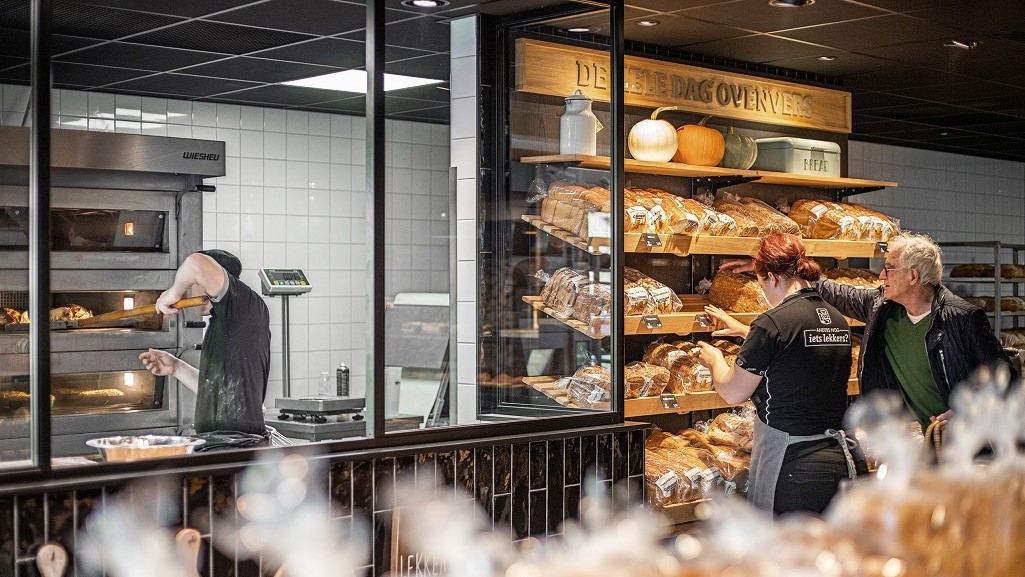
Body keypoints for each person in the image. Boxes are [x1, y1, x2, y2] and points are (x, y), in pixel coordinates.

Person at [720, 231, 1015, 432]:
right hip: (911, 440)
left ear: (913, 276)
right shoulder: (881, 307)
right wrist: (769, 269)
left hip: (961, 440)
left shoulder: (963, 319)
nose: (881, 275)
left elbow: (1005, 379)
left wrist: (966, 411)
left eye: (889, 268)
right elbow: (833, 291)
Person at [696, 233, 863, 516]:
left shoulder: (772, 323)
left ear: (772, 277)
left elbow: (733, 391)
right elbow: (795, 354)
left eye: (761, 283)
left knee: (784, 553)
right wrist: (746, 332)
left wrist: (714, 360)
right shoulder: (835, 319)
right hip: (840, 458)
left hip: (792, 464)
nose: (764, 292)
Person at [139, 249, 271, 439]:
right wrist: (176, 367)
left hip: (237, 446)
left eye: (195, 283)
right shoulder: (224, 321)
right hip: (221, 444)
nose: (192, 290)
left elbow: (195, 263)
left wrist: (173, 293)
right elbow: (219, 390)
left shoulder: (242, 305)